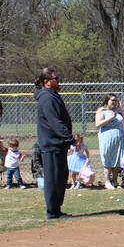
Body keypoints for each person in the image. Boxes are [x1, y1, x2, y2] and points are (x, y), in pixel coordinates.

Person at [35, 67, 76, 219]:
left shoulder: (52, 95)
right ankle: (52, 211)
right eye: (55, 78)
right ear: (47, 82)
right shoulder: (47, 98)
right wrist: (70, 138)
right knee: (53, 178)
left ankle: (56, 209)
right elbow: (55, 122)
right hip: (51, 143)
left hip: (58, 144)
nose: (58, 80)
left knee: (60, 176)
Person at [95, 93, 124, 189]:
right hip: (107, 138)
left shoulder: (117, 111)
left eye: (116, 100)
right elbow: (98, 124)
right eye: (112, 100)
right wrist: (109, 118)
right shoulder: (102, 110)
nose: (114, 102)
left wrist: (121, 108)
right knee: (108, 158)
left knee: (117, 159)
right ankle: (107, 182)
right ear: (107, 100)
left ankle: (115, 181)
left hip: (118, 139)